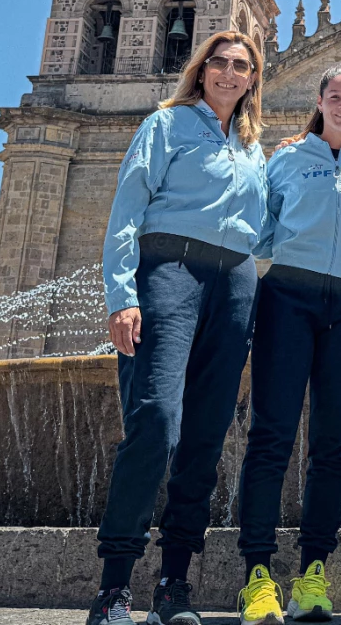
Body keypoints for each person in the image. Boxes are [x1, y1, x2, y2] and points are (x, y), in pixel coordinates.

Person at [90, 30, 267, 625]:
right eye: (219, 62)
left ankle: (174, 584)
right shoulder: (166, 125)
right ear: (201, 69)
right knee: (157, 421)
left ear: (252, 79)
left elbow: (264, 227)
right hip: (169, 268)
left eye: (241, 66)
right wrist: (122, 294)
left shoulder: (252, 147)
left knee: (205, 437)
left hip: (237, 281)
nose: (229, 73)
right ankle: (114, 586)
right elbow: (127, 210)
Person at [236, 64, 341, 624]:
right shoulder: (284, 157)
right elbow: (260, 227)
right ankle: (257, 574)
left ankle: (312, 574)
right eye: (336, 96)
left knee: (334, 441)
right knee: (271, 434)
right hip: (288, 296)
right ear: (320, 101)